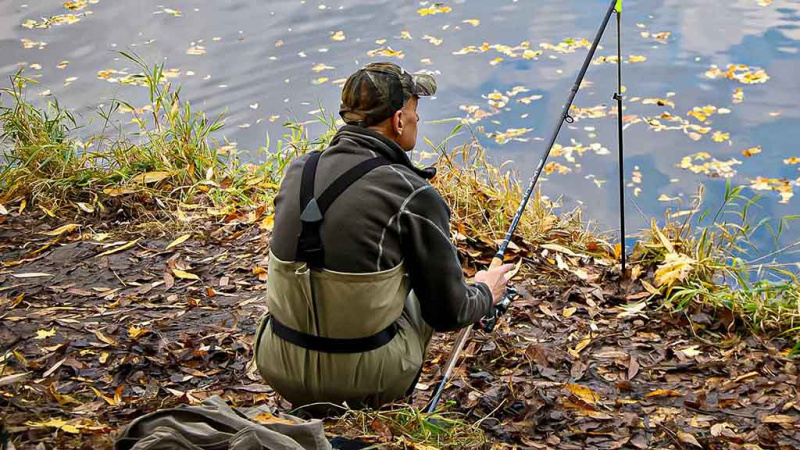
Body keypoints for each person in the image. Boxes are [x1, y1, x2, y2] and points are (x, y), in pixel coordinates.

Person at [253, 62, 513, 409]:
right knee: (424, 288)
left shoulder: (299, 170)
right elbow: (448, 312)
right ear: (398, 120)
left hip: (276, 364)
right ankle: (372, 391)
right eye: (415, 110)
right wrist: (485, 291)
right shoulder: (410, 192)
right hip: (364, 381)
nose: (417, 119)